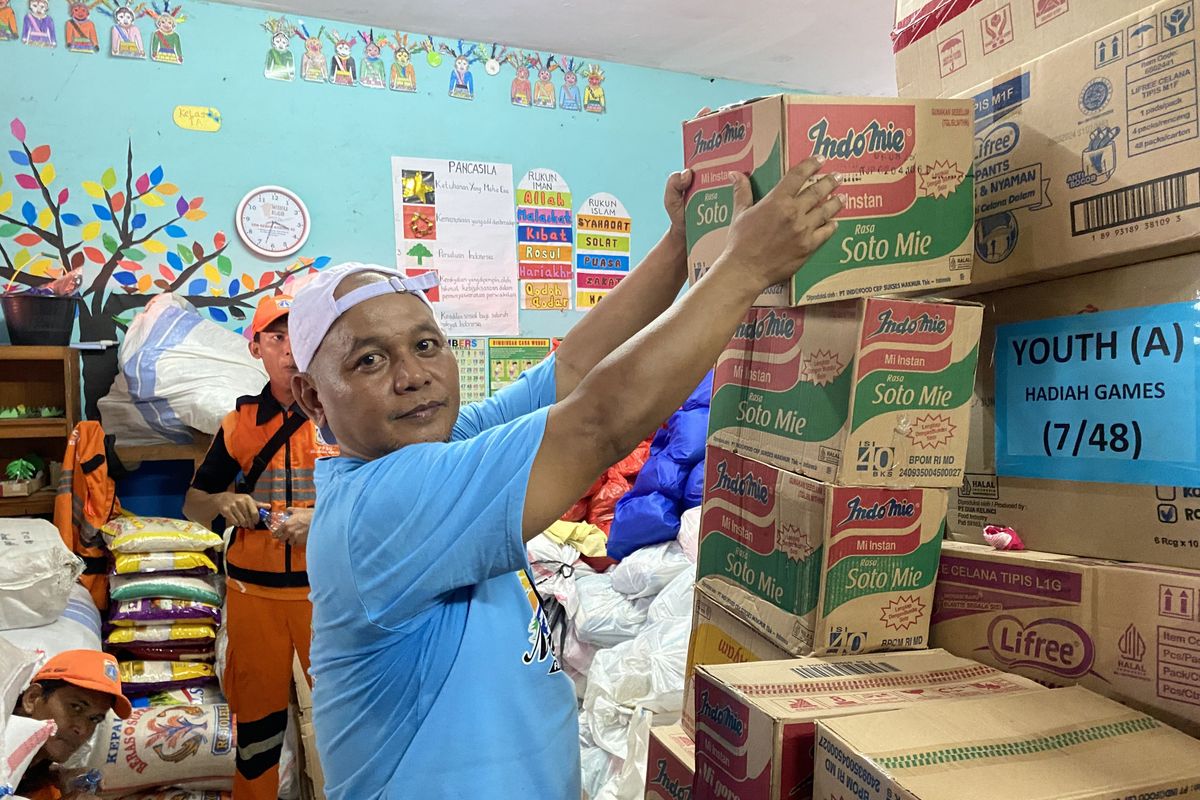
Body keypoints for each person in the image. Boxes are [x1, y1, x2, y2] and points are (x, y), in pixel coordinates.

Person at [288, 156, 841, 798]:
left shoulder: (437, 440)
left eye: (427, 345)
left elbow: (575, 366)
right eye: (369, 360)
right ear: (312, 398)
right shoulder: (382, 506)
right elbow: (594, 424)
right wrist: (745, 267)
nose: (412, 375)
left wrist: (679, 247)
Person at [183, 293, 336, 800]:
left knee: (350, 717)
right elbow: (194, 504)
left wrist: (323, 520)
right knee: (258, 725)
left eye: (301, 333)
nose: (291, 347)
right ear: (257, 349)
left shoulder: (344, 415)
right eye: (277, 336)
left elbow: (386, 498)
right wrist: (225, 502)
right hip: (254, 596)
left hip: (332, 593)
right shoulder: (238, 425)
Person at [13, 650, 133, 800]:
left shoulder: (40, 776)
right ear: (32, 698)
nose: (82, 730)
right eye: (76, 707)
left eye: (94, 719)